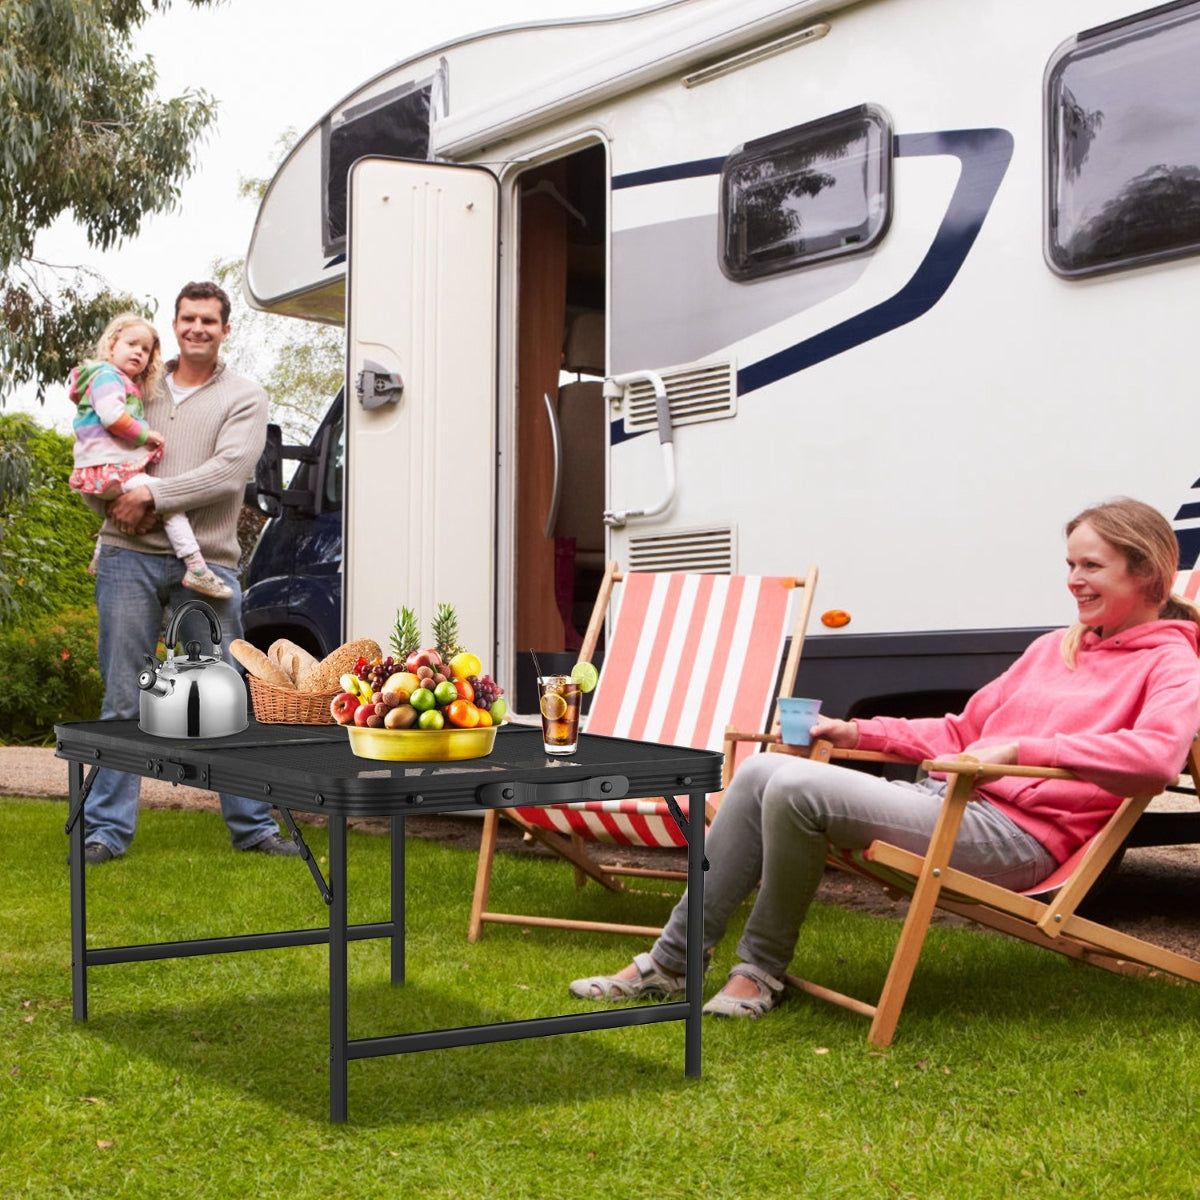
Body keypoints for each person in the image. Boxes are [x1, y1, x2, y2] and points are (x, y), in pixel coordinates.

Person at [569, 497, 1200, 1017]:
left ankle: (754, 972)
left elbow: (1156, 758)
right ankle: (676, 964)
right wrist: (854, 733)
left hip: (1019, 839)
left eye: (1092, 566)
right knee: (762, 770)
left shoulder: (1173, 660)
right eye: (1069, 564)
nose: (1073, 581)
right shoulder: (1053, 649)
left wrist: (1023, 748)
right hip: (949, 806)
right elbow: (959, 731)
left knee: (795, 789)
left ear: (1146, 573)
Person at [78, 281, 299, 865]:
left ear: (226, 330)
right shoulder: (136, 385)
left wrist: (150, 491)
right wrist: (109, 506)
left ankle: (253, 827)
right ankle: (105, 831)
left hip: (210, 562)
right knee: (124, 696)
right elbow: (96, 451)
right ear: (174, 325)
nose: (197, 328)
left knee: (226, 692)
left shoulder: (245, 395)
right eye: (188, 319)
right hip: (128, 555)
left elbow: (228, 474)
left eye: (209, 320)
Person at [68, 312, 232, 599]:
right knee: (168, 499)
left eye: (145, 350)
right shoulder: (107, 376)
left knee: (130, 505)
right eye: (131, 344)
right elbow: (111, 417)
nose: (138, 352)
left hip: (98, 471)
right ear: (111, 346)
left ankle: (99, 555)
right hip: (110, 469)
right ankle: (196, 566)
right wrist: (147, 436)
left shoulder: (113, 380)